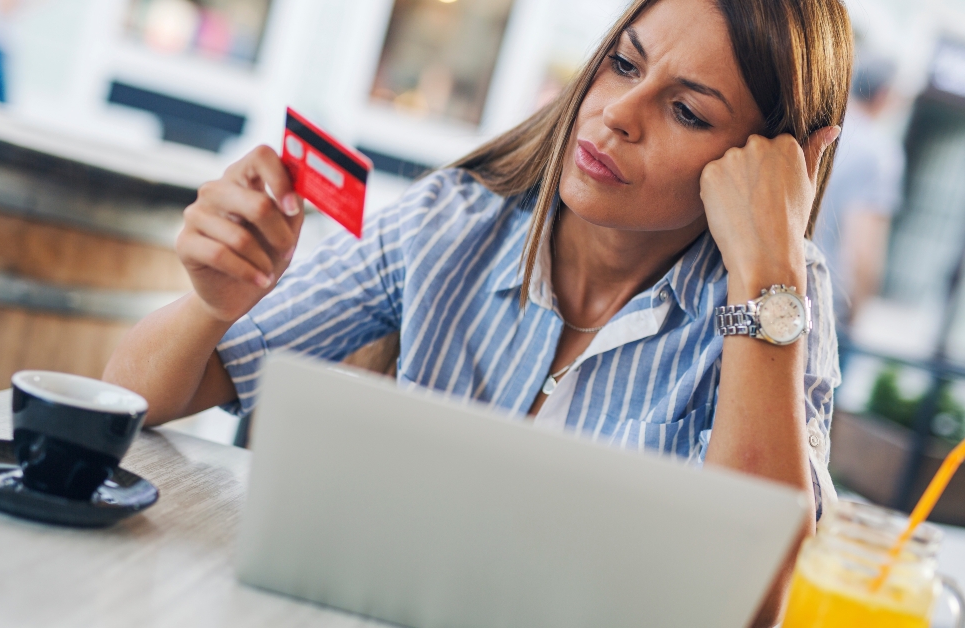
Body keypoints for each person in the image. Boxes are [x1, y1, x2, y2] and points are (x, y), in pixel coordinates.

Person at [104, 0, 852, 624]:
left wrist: (768, 270)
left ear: (778, 163)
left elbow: (756, 601)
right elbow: (131, 397)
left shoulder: (781, 300)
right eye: (624, 64)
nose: (617, 114)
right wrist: (212, 304)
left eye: (686, 110)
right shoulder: (454, 224)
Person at [813, 54, 903, 335]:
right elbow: (863, 248)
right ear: (884, 95)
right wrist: (856, 314)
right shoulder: (879, 153)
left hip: (775, 287)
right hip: (824, 303)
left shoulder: (818, 126)